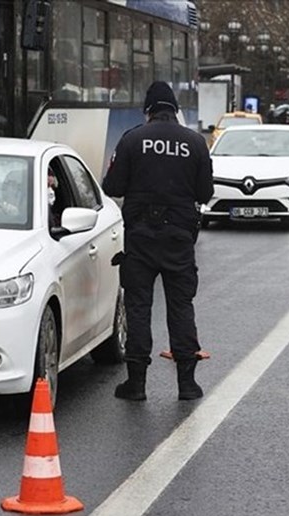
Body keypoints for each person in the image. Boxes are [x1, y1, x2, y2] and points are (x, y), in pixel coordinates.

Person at [102, 81, 214, 401]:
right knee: (181, 307)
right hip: (179, 237)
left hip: (140, 237)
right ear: (175, 109)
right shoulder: (194, 142)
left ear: (148, 111)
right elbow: (205, 193)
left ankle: (136, 384)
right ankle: (187, 384)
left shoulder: (132, 139)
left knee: (138, 307)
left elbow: (113, 185)